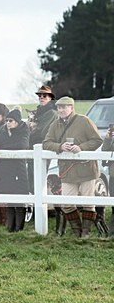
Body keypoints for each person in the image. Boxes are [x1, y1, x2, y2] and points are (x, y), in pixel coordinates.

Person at [43, 96, 103, 237]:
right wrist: (60, 146)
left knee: (88, 203)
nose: (61, 110)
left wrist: (81, 147)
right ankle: (77, 233)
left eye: (64, 107)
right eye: (59, 107)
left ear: (71, 108)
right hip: (67, 170)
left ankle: (85, 233)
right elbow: (46, 143)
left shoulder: (84, 121)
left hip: (86, 169)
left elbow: (97, 140)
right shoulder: (55, 125)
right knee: (67, 204)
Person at [0, 108, 30, 232]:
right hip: (5, 169)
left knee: (20, 201)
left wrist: (3, 148)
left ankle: (19, 229)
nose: (8, 123)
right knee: (9, 200)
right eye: (7, 120)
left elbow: (22, 145)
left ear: (17, 121)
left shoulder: (24, 130)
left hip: (19, 169)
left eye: (11, 121)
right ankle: (10, 228)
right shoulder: (3, 131)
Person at [28, 85, 58, 190]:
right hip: (32, 149)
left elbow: (43, 133)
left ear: (50, 98)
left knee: (38, 181)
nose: (41, 97)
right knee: (31, 180)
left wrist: (30, 132)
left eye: (44, 96)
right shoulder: (38, 112)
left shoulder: (52, 113)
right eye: (39, 95)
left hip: (43, 148)